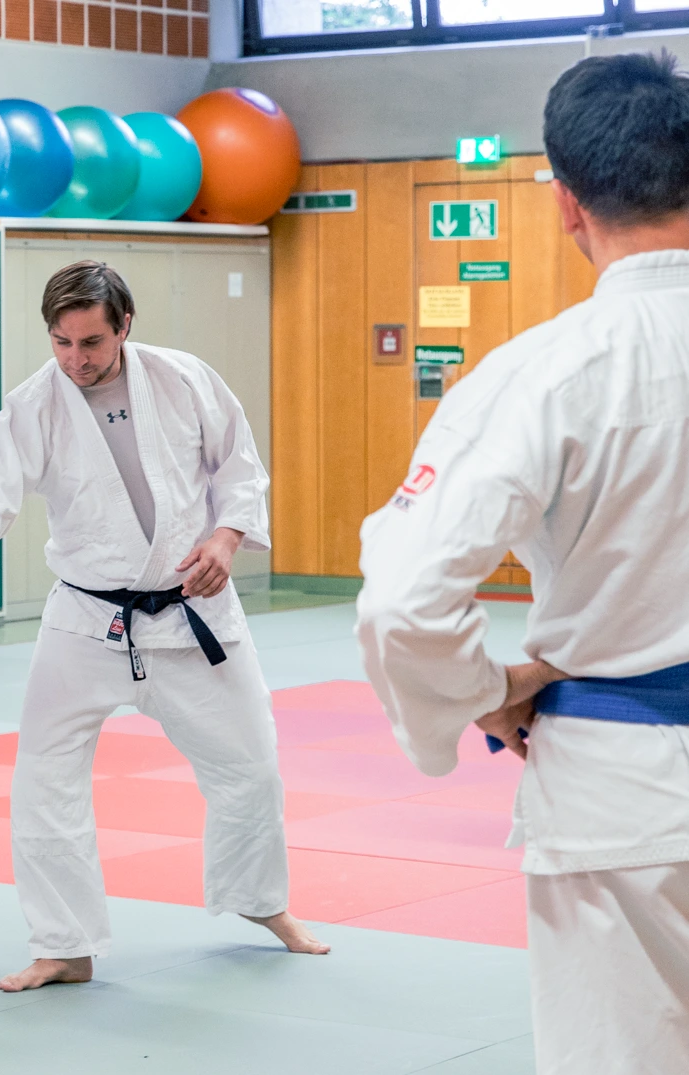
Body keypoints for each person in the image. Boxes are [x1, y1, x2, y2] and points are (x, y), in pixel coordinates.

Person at [356, 52, 689, 1075]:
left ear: (562, 204)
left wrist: (481, 692)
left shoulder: (547, 374)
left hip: (623, 798)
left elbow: (403, 604)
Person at [0, 261, 327, 993]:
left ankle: (260, 901)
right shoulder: (34, 405)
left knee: (251, 766)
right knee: (42, 779)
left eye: (90, 341)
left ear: (124, 326)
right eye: (60, 341)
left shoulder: (184, 380)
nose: (74, 359)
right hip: (86, 618)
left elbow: (239, 468)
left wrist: (225, 536)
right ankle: (64, 943)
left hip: (190, 610)